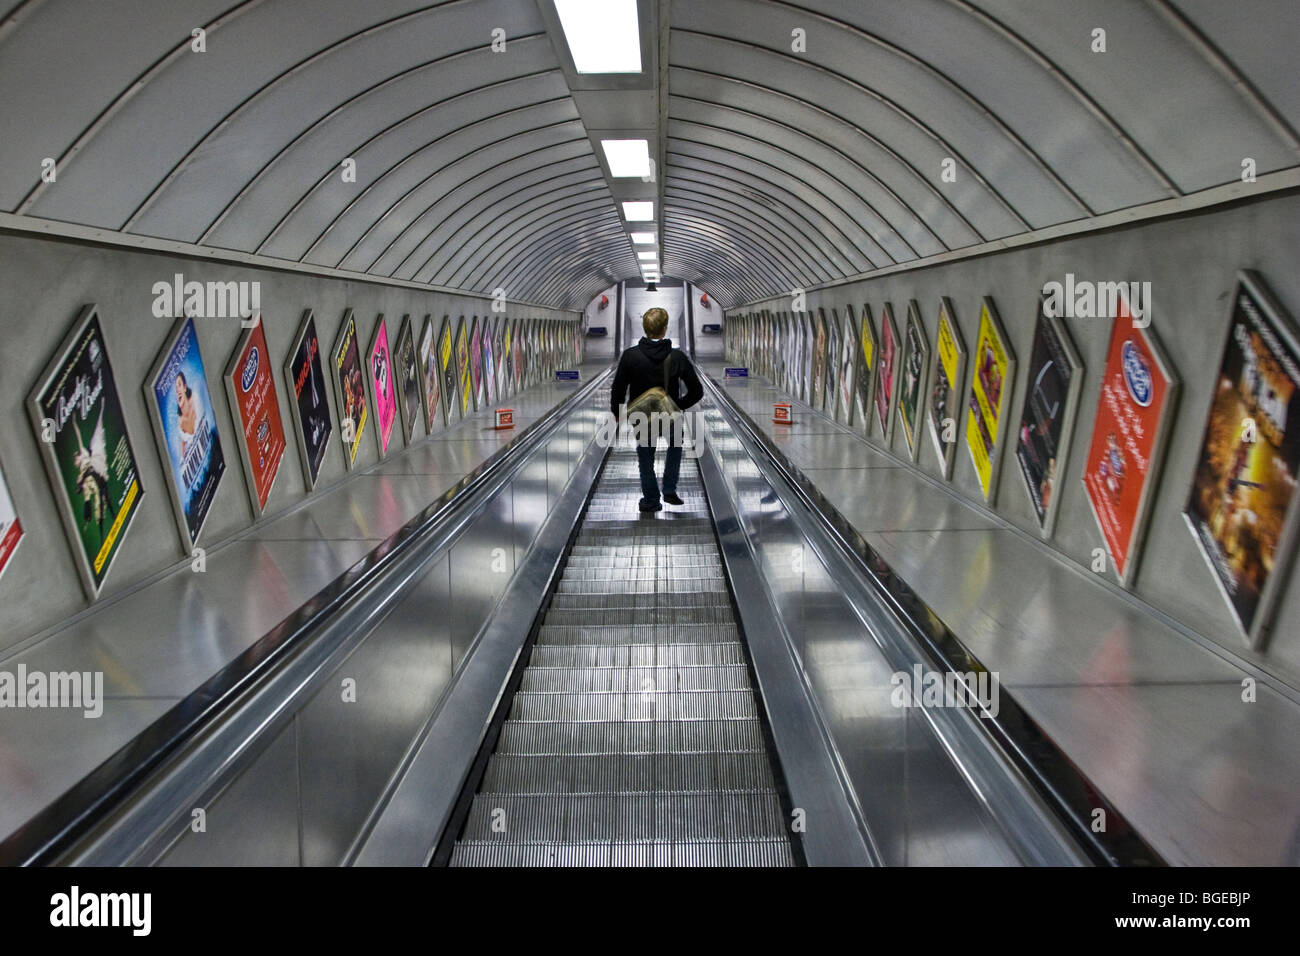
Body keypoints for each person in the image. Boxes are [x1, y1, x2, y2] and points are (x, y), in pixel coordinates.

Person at [610, 307, 704, 512]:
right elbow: (697, 391)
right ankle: (669, 489)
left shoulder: (630, 356)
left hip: (641, 415)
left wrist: (616, 413)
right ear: (665, 328)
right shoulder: (677, 357)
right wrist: (677, 406)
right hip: (670, 415)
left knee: (645, 456)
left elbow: (618, 388)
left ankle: (651, 500)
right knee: (675, 447)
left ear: (645, 328)